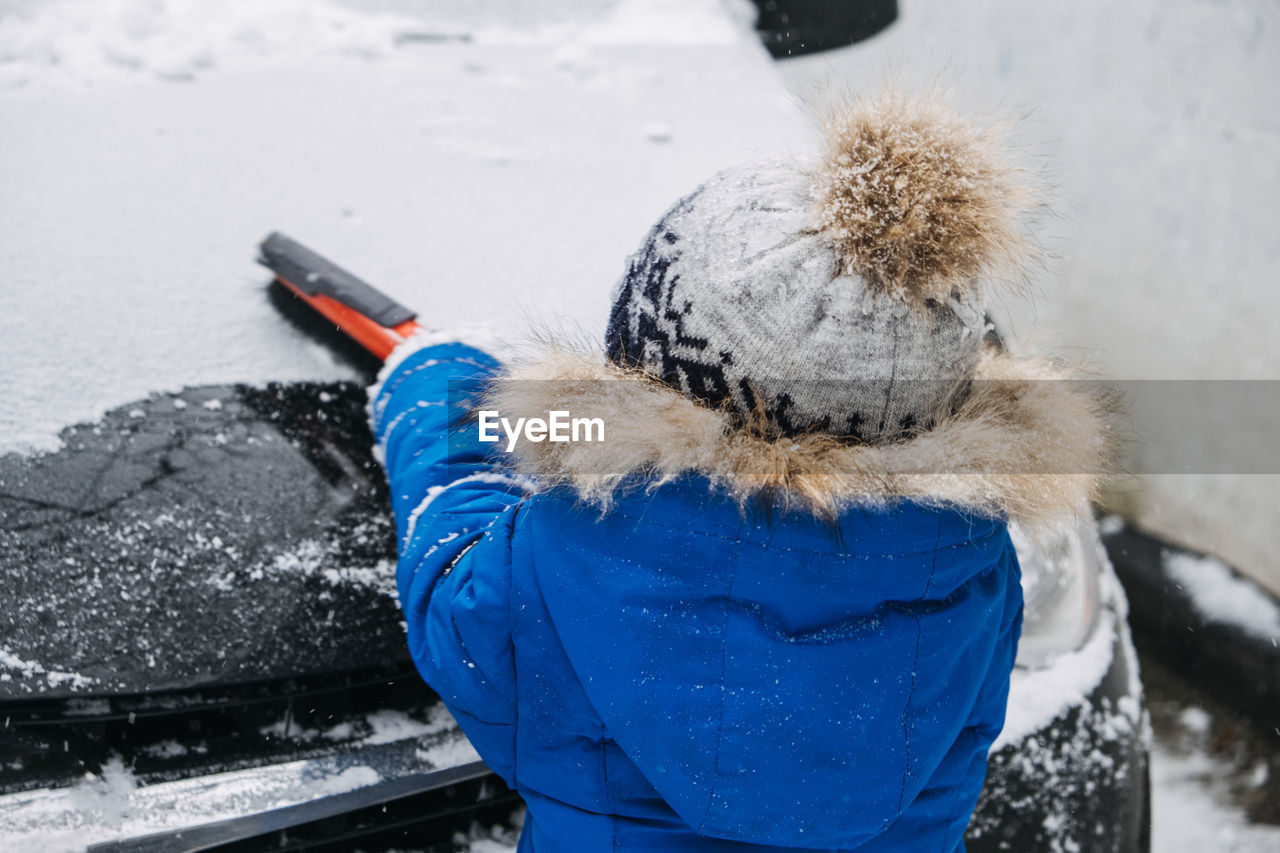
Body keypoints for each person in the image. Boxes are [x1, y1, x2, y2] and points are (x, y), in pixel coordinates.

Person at [368, 91, 1110, 852]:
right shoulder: (970, 568)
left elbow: (449, 571)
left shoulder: (564, 551)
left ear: (647, 375)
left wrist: (445, 389)